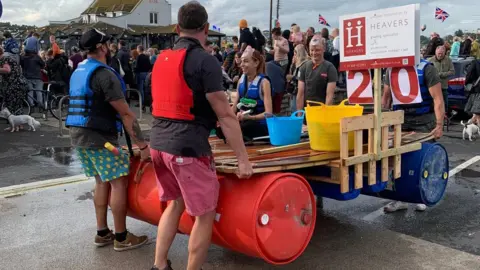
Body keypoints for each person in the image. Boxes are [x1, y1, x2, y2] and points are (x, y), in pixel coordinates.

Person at [149, 2, 253, 270]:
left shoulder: (161, 58)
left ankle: (159, 265)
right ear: (206, 29)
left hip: (158, 144)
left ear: (176, 28)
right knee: (204, 215)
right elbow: (226, 115)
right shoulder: (205, 61)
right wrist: (243, 159)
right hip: (187, 148)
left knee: (175, 204)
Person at [65, 28, 149, 251]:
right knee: (118, 181)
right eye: (108, 44)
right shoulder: (104, 74)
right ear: (102, 47)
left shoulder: (78, 71)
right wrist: (142, 144)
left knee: (101, 181)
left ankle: (102, 232)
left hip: (78, 135)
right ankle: (121, 237)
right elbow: (126, 113)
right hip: (102, 139)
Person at [382, 58, 444, 213]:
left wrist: (439, 125)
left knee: (425, 162)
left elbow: (438, 99)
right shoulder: (391, 69)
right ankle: (401, 198)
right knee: (399, 160)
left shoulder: (427, 68)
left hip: (424, 120)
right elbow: (386, 97)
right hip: (400, 119)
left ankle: (423, 195)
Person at [231, 46, 273, 140]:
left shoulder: (264, 83)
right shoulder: (241, 80)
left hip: (259, 124)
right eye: (241, 61)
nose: (241, 64)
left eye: (245, 61)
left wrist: (250, 117)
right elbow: (234, 107)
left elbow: (269, 113)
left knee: (243, 128)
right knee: (223, 128)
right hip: (244, 121)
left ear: (256, 63)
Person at [296, 35, 338, 110]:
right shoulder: (304, 67)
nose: (314, 53)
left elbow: (329, 96)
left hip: (321, 110)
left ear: (323, 49)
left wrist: (325, 114)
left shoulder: (330, 68)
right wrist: (300, 116)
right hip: (307, 111)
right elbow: (300, 94)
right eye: (312, 50)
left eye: (317, 50)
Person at [0, 47, 27, 116]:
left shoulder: (4, 59)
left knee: (12, 105)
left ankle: (15, 126)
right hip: (19, 84)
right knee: (17, 106)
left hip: (12, 85)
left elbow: (7, 70)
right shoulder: (9, 58)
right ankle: (17, 126)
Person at [428, 46, 454, 113]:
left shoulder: (448, 60)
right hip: (432, 87)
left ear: (444, 53)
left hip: (443, 87)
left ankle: (444, 119)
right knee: (433, 105)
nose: (440, 55)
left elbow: (452, 71)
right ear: (436, 52)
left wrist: (440, 74)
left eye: (442, 53)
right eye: (439, 53)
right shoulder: (430, 60)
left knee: (444, 105)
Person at [287, 44, 309, 112]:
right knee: (293, 109)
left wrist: (292, 77)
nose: (294, 56)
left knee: (297, 109)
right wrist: (293, 64)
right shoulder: (296, 63)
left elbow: (303, 77)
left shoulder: (306, 63)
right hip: (294, 90)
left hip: (300, 90)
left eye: (295, 54)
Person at [134, 45, 152, 109]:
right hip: (146, 74)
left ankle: (142, 103)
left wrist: (135, 71)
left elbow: (136, 66)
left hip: (140, 73)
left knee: (140, 89)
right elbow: (150, 65)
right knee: (146, 88)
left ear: (138, 49)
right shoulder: (146, 57)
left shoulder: (138, 57)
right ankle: (147, 102)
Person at [464, 58, 480, 124]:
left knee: (477, 114)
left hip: (477, 90)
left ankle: (468, 125)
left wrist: (467, 83)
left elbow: (469, 74)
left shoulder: (476, 62)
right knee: (477, 114)